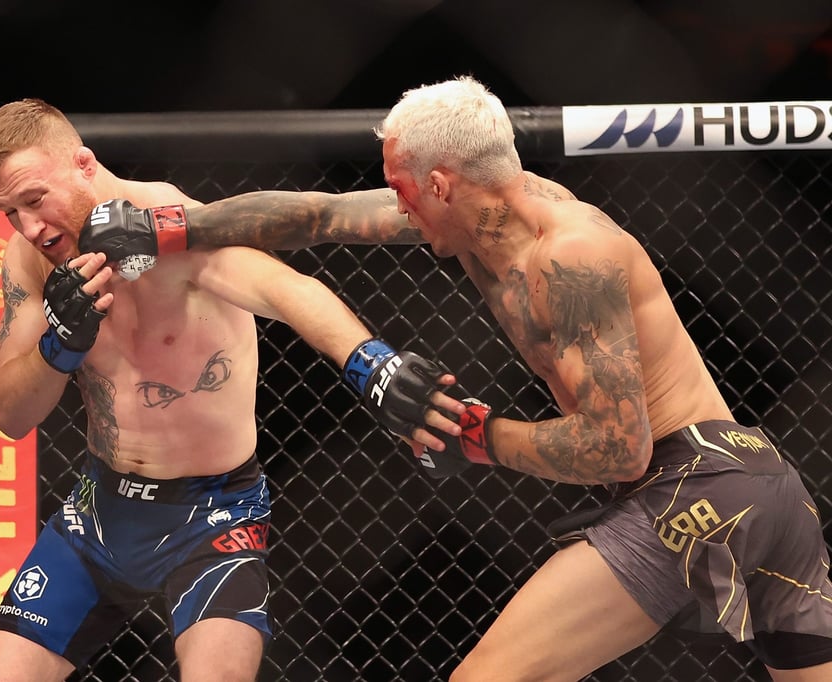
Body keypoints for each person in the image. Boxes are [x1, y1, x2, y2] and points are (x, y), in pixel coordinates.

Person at [80, 77, 832, 681]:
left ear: (441, 184)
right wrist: (169, 227)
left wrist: (475, 434)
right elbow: (319, 214)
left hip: (690, 487)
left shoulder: (570, 256)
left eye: (402, 189)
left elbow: (618, 451)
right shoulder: (486, 214)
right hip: (762, 482)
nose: (395, 205)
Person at [0, 98, 461, 682]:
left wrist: (372, 363)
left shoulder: (174, 224)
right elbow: (9, 414)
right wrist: (58, 344)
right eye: (9, 212)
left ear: (83, 164)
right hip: (100, 511)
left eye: (34, 200)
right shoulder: (28, 261)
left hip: (213, 514)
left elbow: (286, 290)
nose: (29, 227)